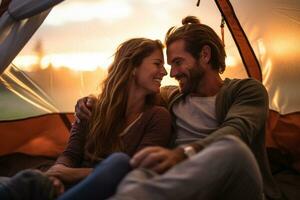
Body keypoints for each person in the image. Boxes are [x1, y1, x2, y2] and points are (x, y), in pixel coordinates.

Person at [76, 16, 283, 200]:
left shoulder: (246, 90)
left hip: (233, 185)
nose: (172, 73)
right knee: (138, 172)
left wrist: (182, 154)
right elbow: (130, 95)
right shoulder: (171, 96)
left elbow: (237, 131)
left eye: (178, 62)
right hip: (184, 185)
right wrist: (91, 101)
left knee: (233, 149)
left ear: (204, 55)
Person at [0, 38, 172, 200]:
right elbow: (70, 154)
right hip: (69, 188)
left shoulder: (157, 117)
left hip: (107, 188)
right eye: (157, 64)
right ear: (133, 67)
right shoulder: (90, 108)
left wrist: (70, 174)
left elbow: (136, 170)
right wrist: (56, 173)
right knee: (30, 180)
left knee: (119, 162)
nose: (164, 72)